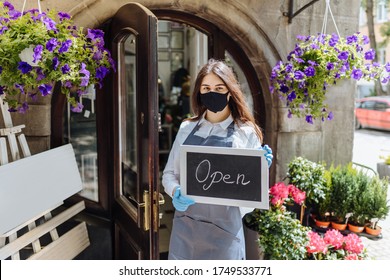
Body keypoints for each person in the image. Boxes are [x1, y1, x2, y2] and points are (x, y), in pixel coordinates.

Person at [162, 59, 273, 260]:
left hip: (226, 237)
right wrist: (175, 191)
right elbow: (169, 174)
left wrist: (258, 173)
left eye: (219, 87)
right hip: (185, 230)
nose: (212, 92)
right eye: (206, 88)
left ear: (229, 92)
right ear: (200, 92)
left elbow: (250, 202)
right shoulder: (186, 128)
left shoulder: (246, 132)